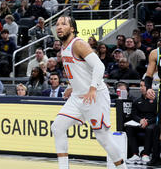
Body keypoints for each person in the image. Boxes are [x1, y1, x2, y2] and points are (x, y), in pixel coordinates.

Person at [50, 16, 127, 169]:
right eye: (57, 24)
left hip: (95, 95)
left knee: (102, 137)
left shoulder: (78, 44)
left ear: (72, 29)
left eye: (63, 24)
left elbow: (99, 66)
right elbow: (78, 71)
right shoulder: (63, 46)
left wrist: (92, 88)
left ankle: (122, 168)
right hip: (77, 96)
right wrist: (71, 86)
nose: (59, 27)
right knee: (57, 127)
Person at [125, 80, 157, 165]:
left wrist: (147, 122)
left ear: (149, 88)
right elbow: (133, 115)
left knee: (150, 129)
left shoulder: (156, 101)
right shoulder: (137, 101)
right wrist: (140, 120)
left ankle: (146, 154)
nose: (141, 88)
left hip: (151, 123)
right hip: (140, 122)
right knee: (129, 127)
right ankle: (135, 154)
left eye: (143, 86)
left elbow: (157, 116)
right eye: (140, 86)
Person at [141, 44, 161, 165]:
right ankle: (155, 158)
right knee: (159, 126)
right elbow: (149, 75)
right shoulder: (155, 53)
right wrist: (148, 88)